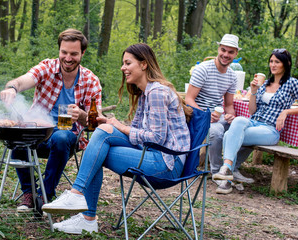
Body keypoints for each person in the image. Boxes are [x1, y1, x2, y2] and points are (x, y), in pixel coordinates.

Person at [40, 43, 193, 234]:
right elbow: (139, 131)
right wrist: (111, 124)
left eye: (128, 63)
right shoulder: (146, 93)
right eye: (123, 63)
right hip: (153, 154)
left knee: (98, 149)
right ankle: (82, 207)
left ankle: (81, 205)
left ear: (144, 64)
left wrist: (119, 126)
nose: (123, 68)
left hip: (166, 165)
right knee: (101, 134)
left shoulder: (156, 92)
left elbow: (157, 138)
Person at [0, 28, 102, 212]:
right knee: (16, 139)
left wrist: (81, 115)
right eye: (64, 52)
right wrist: (12, 88)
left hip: (68, 138)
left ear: (82, 53)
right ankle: (29, 193)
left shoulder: (91, 80)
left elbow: (94, 124)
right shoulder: (47, 67)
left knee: (61, 137)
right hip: (37, 132)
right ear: (59, 51)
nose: (68, 58)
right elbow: (24, 80)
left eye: (74, 54)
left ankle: (44, 195)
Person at [213, 49, 298, 182]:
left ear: (286, 64)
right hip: (254, 122)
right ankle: (229, 170)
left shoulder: (292, 83)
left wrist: (286, 111)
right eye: (271, 61)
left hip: (270, 130)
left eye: (277, 62)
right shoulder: (265, 84)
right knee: (239, 120)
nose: (273, 65)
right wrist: (253, 92)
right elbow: (252, 111)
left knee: (230, 135)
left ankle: (226, 174)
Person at [185, 33, 254, 194]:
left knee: (243, 127)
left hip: (217, 116)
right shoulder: (203, 69)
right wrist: (205, 115)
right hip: (198, 115)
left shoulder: (231, 75)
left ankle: (231, 167)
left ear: (236, 54)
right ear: (218, 49)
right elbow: (188, 99)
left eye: (231, 52)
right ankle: (217, 173)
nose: (226, 55)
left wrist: (230, 115)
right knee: (216, 131)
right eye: (223, 50)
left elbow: (229, 105)